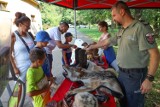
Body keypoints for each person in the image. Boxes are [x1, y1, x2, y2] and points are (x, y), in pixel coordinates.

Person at [86, 1, 160, 107]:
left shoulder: (141, 28)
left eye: (114, 15)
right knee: (123, 101)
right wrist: (92, 46)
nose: (113, 19)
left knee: (134, 103)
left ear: (122, 12)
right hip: (122, 73)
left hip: (135, 76)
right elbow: (108, 41)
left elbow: (155, 54)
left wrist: (149, 79)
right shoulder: (122, 30)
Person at [10, 12, 35, 106]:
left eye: (29, 27)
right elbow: (9, 54)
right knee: (19, 89)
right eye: (27, 26)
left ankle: (35, 101)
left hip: (32, 65)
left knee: (32, 85)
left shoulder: (29, 35)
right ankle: (15, 105)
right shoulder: (13, 36)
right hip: (21, 68)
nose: (28, 28)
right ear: (20, 25)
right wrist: (15, 68)